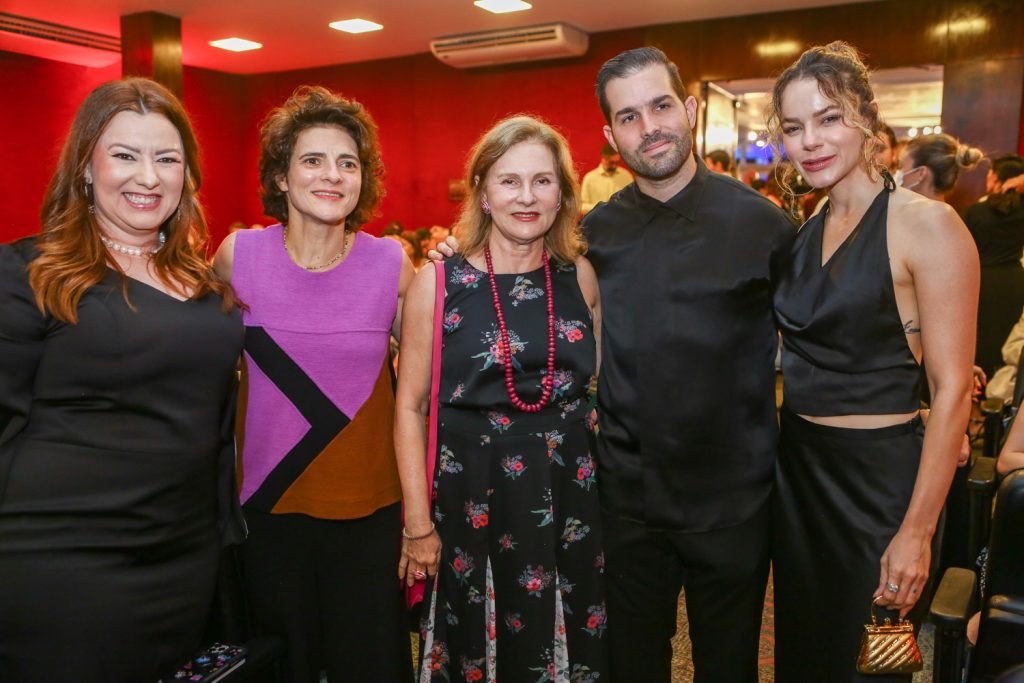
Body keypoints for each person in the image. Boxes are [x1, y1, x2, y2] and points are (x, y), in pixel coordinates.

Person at [0, 78, 243, 682]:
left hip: (184, 559)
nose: (148, 177)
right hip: (61, 564)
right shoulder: (30, 273)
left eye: (167, 159)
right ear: (86, 165)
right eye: (125, 155)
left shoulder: (206, 284)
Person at [768, 42, 978, 682]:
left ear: (867, 117)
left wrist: (917, 530)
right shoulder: (807, 224)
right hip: (800, 480)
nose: (810, 141)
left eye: (828, 118)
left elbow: (951, 392)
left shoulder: (928, 227)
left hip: (883, 494)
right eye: (794, 126)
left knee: (875, 666)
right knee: (805, 656)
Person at [587, 47, 795, 682]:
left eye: (660, 105)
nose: (648, 126)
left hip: (733, 499)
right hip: (626, 498)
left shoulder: (767, 227)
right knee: (631, 664)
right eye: (628, 116)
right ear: (610, 134)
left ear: (691, 109)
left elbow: (817, 340)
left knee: (729, 666)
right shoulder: (591, 235)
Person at [213, 85, 415, 683]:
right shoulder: (237, 256)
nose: (332, 176)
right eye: (313, 160)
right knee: (282, 666)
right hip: (267, 511)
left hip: (370, 513)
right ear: (280, 176)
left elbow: (427, 385)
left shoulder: (391, 264)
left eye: (347, 163)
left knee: (370, 665)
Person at [396, 115, 607, 682]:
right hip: (471, 491)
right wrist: (417, 522)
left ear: (562, 193)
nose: (526, 196)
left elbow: (595, 391)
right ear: (483, 192)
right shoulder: (436, 284)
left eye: (542, 181)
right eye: (509, 181)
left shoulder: (580, 277)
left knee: (566, 620)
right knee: (476, 634)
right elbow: (410, 406)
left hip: (568, 491)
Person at [964, 154, 1024, 377]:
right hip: (1016, 281)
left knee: (980, 337)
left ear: (997, 177)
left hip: (982, 281)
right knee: (1006, 338)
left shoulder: (974, 211)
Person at [896, 132, 983, 203]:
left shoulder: (927, 219)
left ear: (921, 173)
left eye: (901, 166)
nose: (898, 172)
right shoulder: (946, 216)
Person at [580, 142, 633, 214]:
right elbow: (582, 206)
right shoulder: (590, 178)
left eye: (617, 162)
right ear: (603, 158)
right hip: (597, 222)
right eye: (611, 162)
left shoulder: (626, 176)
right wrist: (603, 209)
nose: (614, 166)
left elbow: (633, 201)